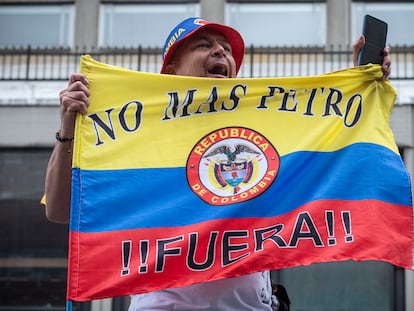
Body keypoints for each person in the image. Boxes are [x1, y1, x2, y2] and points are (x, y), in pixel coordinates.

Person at [44, 17, 391, 310]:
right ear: (171, 69)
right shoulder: (131, 133)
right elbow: (61, 210)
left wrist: (358, 85)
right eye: (203, 45)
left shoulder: (264, 126)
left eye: (225, 49)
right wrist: (68, 129)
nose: (219, 52)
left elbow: (334, 145)